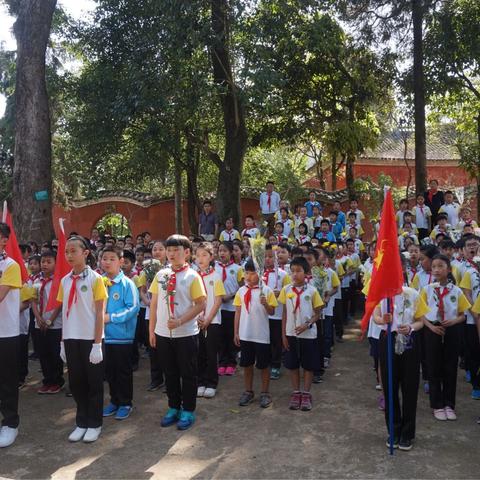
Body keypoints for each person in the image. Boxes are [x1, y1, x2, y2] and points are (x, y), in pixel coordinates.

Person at [149, 235, 206, 431]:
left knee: (188, 373)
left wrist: (181, 320)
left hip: (186, 334)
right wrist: (152, 331)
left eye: (177, 250)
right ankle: (173, 407)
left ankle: (188, 409)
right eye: (169, 250)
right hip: (163, 334)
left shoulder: (193, 276)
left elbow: (201, 304)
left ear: (187, 253)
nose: (172, 254)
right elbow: (154, 304)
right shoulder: (161, 275)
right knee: (170, 373)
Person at [373, 254, 430, 451]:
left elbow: (421, 320)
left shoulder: (413, 294)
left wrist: (411, 328)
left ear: (403, 271)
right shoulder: (381, 294)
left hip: (409, 341)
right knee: (390, 386)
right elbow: (375, 317)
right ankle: (394, 430)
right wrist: (384, 320)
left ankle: (407, 433)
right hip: (388, 339)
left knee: (410, 386)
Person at [57, 236, 108, 443]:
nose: (69, 255)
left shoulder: (95, 279)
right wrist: (62, 341)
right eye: (66, 251)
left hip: (90, 338)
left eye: (73, 251)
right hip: (71, 338)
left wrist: (97, 344)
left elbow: (99, 312)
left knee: (93, 383)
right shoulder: (65, 280)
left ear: (85, 253)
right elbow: (64, 312)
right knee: (76, 383)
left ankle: (94, 423)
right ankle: (81, 421)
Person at [421, 254, 470, 421]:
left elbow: (463, 315)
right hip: (432, 329)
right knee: (433, 367)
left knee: (450, 366)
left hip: (452, 329)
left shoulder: (455, 291)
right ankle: (437, 404)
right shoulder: (427, 290)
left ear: (449, 270)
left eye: (440, 266)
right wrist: (431, 327)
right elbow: (420, 314)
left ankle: (449, 403)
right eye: (434, 266)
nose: (436, 269)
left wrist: (453, 321)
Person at [278, 256, 323, 411]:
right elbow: (284, 313)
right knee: (292, 365)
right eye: (293, 271)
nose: (295, 274)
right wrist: (284, 334)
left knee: (308, 366)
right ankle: (296, 392)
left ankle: (306, 393)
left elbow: (318, 313)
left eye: (299, 271)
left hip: (308, 335)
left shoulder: (312, 291)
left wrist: (307, 324)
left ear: (306, 273)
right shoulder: (286, 290)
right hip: (291, 334)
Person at [101, 246, 140, 421]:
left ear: (121, 262)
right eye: (104, 258)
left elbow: (133, 308)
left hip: (122, 336)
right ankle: (114, 401)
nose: (107, 262)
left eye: (112, 259)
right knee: (110, 372)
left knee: (123, 371)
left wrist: (111, 318)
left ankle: (126, 402)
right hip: (103, 336)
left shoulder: (127, 284)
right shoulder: (99, 282)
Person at [233, 260, 278, 408]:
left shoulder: (267, 291)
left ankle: (265, 393)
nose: (248, 276)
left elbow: (272, 311)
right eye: (246, 272)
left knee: (263, 365)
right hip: (246, 334)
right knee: (247, 364)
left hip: (261, 335)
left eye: (252, 273)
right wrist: (236, 332)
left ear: (259, 274)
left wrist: (265, 303)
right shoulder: (241, 291)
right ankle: (248, 391)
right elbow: (238, 312)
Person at [0, 223, 22, 448]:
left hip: (5, 333)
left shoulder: (10, 266)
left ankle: (10, 423)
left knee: (6, 380)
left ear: (4, 240)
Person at [196, 242, 226, 399]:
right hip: (195, 322)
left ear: (211, 257)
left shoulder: (216, 276)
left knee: (210, 352)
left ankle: (211, 383)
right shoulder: (193, 276)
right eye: (198, 255)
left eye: (204, 255)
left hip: (212, 322)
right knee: (199, 353)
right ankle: (200, 382)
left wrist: (208, 319)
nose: (200, 258)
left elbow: (218, 300)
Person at [31, 250, 64, 394]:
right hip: (39, 322)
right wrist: (38, 317)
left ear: (56, 264)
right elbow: (33, 300)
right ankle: (47, 380)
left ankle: (57, 380)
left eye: (48, 262)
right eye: (43, 262)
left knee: (55, 353)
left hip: (55, 323)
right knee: (43, 353)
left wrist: (50, 320)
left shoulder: (59, 281)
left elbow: (59, 302)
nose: (44, 264)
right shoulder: (36, 281)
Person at [262, 245, 291, 380]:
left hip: (277, 314)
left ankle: (276, 365)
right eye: (265, 257)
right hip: (262, 314)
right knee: (264, 339)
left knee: (276, 340)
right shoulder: (259, 275)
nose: (268, 259)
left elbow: (289, 293)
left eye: (270, 257)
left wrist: (280, 294)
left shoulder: (283, 275)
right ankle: (265, 362)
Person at [216, 242, 244, 375]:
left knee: (231, 335)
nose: (222, 253)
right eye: (220, 251)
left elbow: (242, 287)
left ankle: (231, 362)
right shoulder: (214, 268)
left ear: (231, 252)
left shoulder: (238, 269)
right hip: (218, 307)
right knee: (220, 336)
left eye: (225, 251)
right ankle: (222, 362)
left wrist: (231, 295)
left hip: (232, 308)